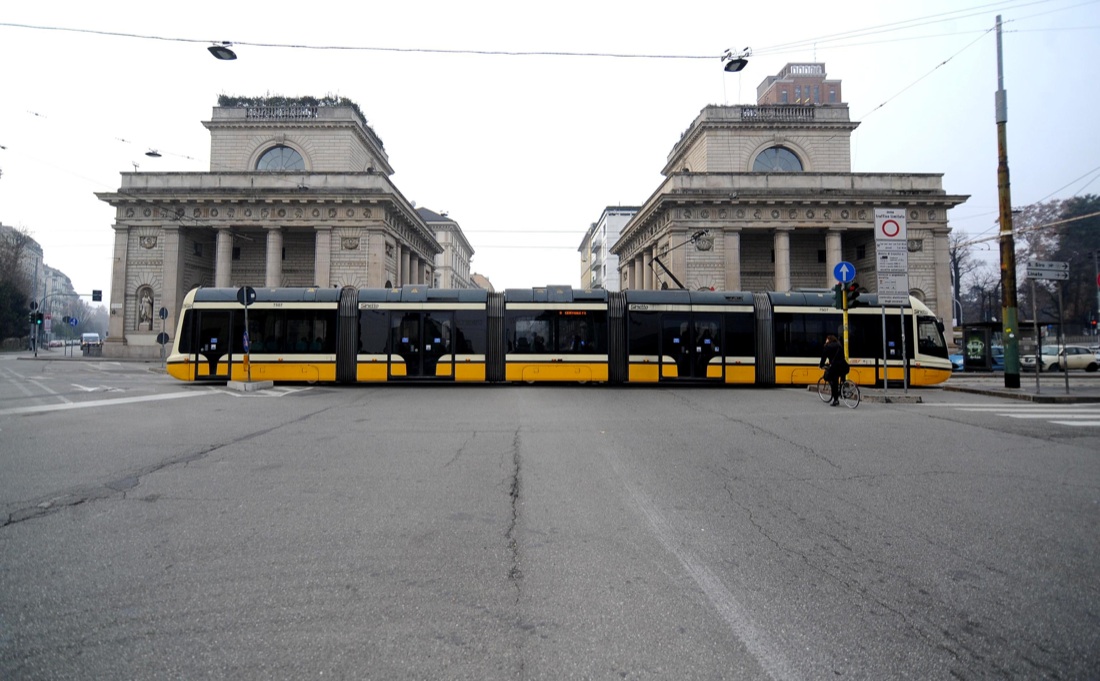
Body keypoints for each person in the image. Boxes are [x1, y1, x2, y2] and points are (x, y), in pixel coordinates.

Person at [819, 334, 849, 406]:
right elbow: (842, 356)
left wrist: (821, 365)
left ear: (829, 340)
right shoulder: (839, 345)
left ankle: (836, 400)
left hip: (835, 367)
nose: (826, 340)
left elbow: (823, 358)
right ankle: (842, 391)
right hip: (845, 366)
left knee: (834, 382)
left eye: (826, 339)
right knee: (842, 376)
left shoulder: (827, 347)